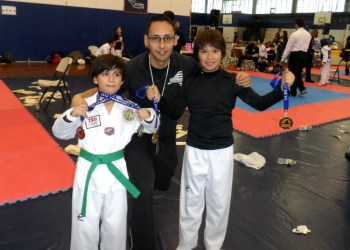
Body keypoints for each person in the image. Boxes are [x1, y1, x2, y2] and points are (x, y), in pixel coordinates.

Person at [71, 14, 251, 250]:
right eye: (156, 39)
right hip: (139, 139)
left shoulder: (187, 66)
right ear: (146, 40)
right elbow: (107, 87)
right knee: (143, 189)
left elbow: (213, 67)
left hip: (166, 137)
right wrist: (79, 97)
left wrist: (240, 77)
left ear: (176, 40)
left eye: (167, 38)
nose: (162, 45)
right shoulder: (132, 68)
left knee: (163, 182)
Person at [146, 29, 295, 250]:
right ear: (197, 54)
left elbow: (260, 103)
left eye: (215, 51)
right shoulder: (190, 81)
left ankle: (213, 246)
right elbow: (175, 110)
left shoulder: (232, 81)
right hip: (195, 151)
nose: (209, 56)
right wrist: (160, 98)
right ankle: (185, 245)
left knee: (218, 204)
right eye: (204, 51)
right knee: (190, 204)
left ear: (222, 53)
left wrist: (285, 87)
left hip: (222, 152)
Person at [52, 54, 158, 250]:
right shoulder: (85, 106)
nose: (111, 79)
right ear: (95, 79)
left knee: (115, 226)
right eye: (105, 74)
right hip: (88, 172)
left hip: (116, 173)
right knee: (84, 226)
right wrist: (72, 115)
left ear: (123, 80)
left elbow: (152, 127)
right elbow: (59, 132)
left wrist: (149, 114)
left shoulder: (129, 109)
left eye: (117, 74)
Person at [281, 18, 311, 96]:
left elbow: (288, 47)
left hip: (295, 54)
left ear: (296, 24)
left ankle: (298, 89)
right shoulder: (308, 34)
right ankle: (297, 90)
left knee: (293, 74)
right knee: (298, 73)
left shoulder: (294, 34)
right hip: (304, 54)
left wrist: (283, 58)